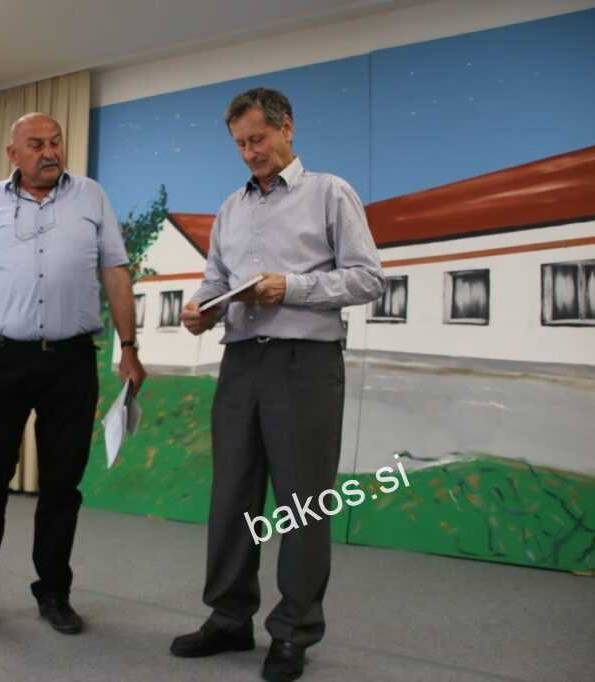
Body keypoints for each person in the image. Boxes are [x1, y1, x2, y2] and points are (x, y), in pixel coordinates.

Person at [172, 88, 385, 682]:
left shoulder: (330, 193)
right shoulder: (230, 208)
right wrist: (199, 307)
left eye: (258, 139)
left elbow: (368, 279)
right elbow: (216, 277)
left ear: (286, 128)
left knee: (302, 504)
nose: (250, 152)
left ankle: (293, 631)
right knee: (231, 497)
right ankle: (228, 617)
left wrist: (290, 287)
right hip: (241, 361)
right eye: (240, 144)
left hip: (305, 363)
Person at [0, 113, 146, 637]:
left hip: (71, 363)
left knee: (61, 485)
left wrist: (128, 347)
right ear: (13, 154)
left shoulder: (91, 197)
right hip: (3, 359)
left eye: (56, 142)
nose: (50, 152)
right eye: (36, 144)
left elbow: (116, 272)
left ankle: (54, 592)